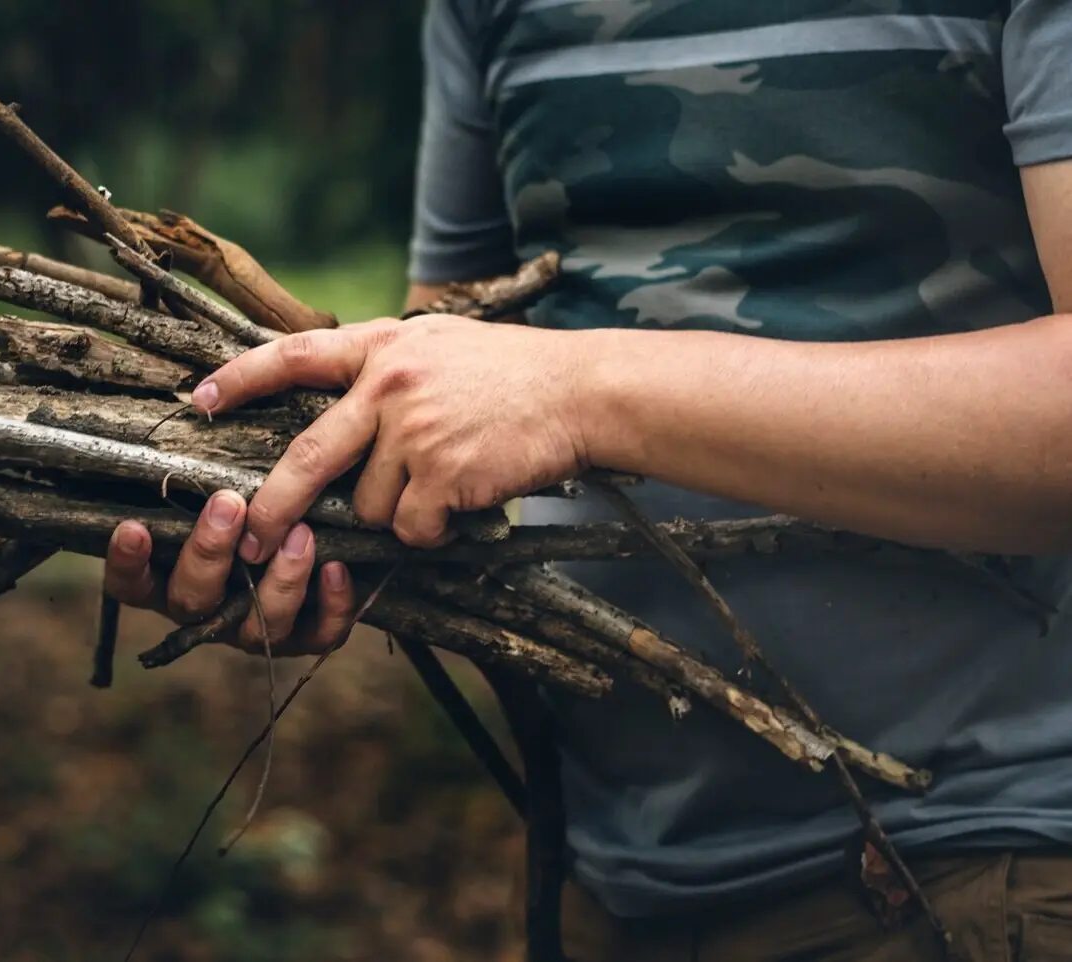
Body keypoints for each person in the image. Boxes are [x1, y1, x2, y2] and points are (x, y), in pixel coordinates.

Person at [104, 2, 1072, 958]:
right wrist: (283, 526)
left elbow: (538, 385)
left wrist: (580, 392)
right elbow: (457, 370)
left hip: (986, 861)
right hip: (609, 876)